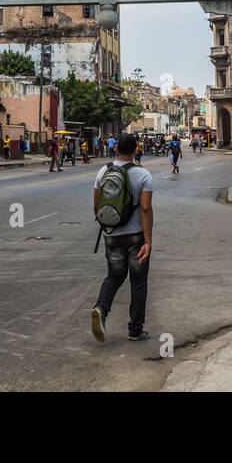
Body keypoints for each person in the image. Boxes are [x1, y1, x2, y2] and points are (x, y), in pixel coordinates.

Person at [90, 133, 154, 343]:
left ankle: (101, 309)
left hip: (112, 235)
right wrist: (148, 241)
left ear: (116, 148)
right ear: (136, 149)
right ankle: (135, 329)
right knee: (138, 282)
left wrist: (108, 225)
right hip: (136, 237)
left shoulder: (103, 171)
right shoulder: (143, 175)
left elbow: (97, 205)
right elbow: (145, 209)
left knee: (114, 276)